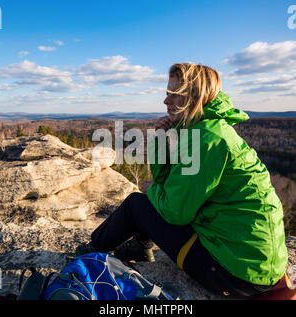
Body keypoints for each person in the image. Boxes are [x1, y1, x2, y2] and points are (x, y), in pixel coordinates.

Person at [76, 63, 288, 298]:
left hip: (234, 273)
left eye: (174, 95)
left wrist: (152, 190)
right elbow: (164, 178)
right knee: (151, 200)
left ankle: (89, 253)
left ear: (195, 97)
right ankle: (141, 247)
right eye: (167, 94)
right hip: (251, 265)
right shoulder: (205, 129)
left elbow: (175, 211)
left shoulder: (207, 138)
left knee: (137, 204)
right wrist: (160, 137)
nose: (165, 102)